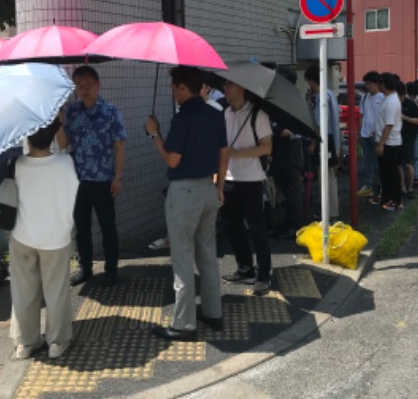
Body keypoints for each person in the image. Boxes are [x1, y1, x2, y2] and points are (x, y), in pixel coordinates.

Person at [144, 67, 228, 340]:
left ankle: (183, 324)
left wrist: (154, 134)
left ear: (183, 88)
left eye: (173, 86)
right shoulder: (216, 114)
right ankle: (213, 313)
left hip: (184, 193)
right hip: (208, 188)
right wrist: (219, 186)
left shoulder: (182, 119)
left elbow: (172, 160)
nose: (171, 91)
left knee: (182, 259)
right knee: (207, 253)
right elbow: (223, 153)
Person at [9, 119, 79, 360]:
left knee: (23, 289)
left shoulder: (18, 163)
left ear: (27, 137)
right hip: (56, 235)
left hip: (23, 235)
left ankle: (25, 343)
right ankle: (57, 342)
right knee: (56, 289)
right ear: (52, 136)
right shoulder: (66, 163)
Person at [57, 65, 127, 287]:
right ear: (75, 88)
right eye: (80, 86)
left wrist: (118, 176)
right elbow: (63, 143)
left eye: (89, 85)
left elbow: (120, 146)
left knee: (108, 226)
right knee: (81, 226)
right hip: (77, 180)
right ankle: (85, 268)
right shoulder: (71, 112)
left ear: (98, 85)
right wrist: (59, 123)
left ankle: (111, 270)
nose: (85, 90)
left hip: (104, 179)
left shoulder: (111, 112)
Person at [221, 78, 274, 295]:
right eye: (224, 85)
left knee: (256, 228)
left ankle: (263, 273)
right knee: (232, 227)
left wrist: (238, 154)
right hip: (228, 180)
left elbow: (267, 148)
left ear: (242, 86)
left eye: (229, 84)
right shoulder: (225, 113)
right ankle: (245, 268)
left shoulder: (257, 115)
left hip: (251, 179)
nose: (225, 89)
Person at [269, 66, 305, 239]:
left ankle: (295, 226)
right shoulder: (285, 98)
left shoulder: (293, 99)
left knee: (292, 190)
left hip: (290, 150)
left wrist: (271, 131)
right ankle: (285, 224)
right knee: (284, 190)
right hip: (282, 151)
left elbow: (287, 130)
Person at [304, 64, 340, 219]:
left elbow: (319, 123)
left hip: (324, 142)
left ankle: (328, 212)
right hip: (334, 140)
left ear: (312, 81)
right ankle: (333, 210)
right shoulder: (330, 94)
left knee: (325, 178)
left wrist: (313, 143)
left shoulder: (320, 98)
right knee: (331, 176)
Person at [375, 73, 403, 211]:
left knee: (391, 173)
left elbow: (389, 125)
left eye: (379, 83)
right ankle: (386, 198)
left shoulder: (392, 101)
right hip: (386, 141)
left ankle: (396, 200)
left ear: (383, 84)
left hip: (390, 143)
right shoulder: (388, 99)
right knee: (385, 173)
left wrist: (381, 144)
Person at [357, 70, 384, 203]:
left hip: (377, 135)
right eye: (366, 84)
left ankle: (378, 187)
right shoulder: (365, 97)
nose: (367, 86)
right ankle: (368, 185)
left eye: (370, 84)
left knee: (378, 163)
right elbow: (362, 115)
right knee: (367, 160)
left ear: (377, 84)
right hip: (365, 133)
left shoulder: (382, 97)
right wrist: (360, 131)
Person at [400, 81, 418, 200]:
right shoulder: (394, 104)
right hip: (397, 138)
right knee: (399, 164)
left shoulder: (411, 104)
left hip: (409, 137)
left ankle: (410, 188)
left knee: (408, 164)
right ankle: (402, 188)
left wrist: (405, 118)